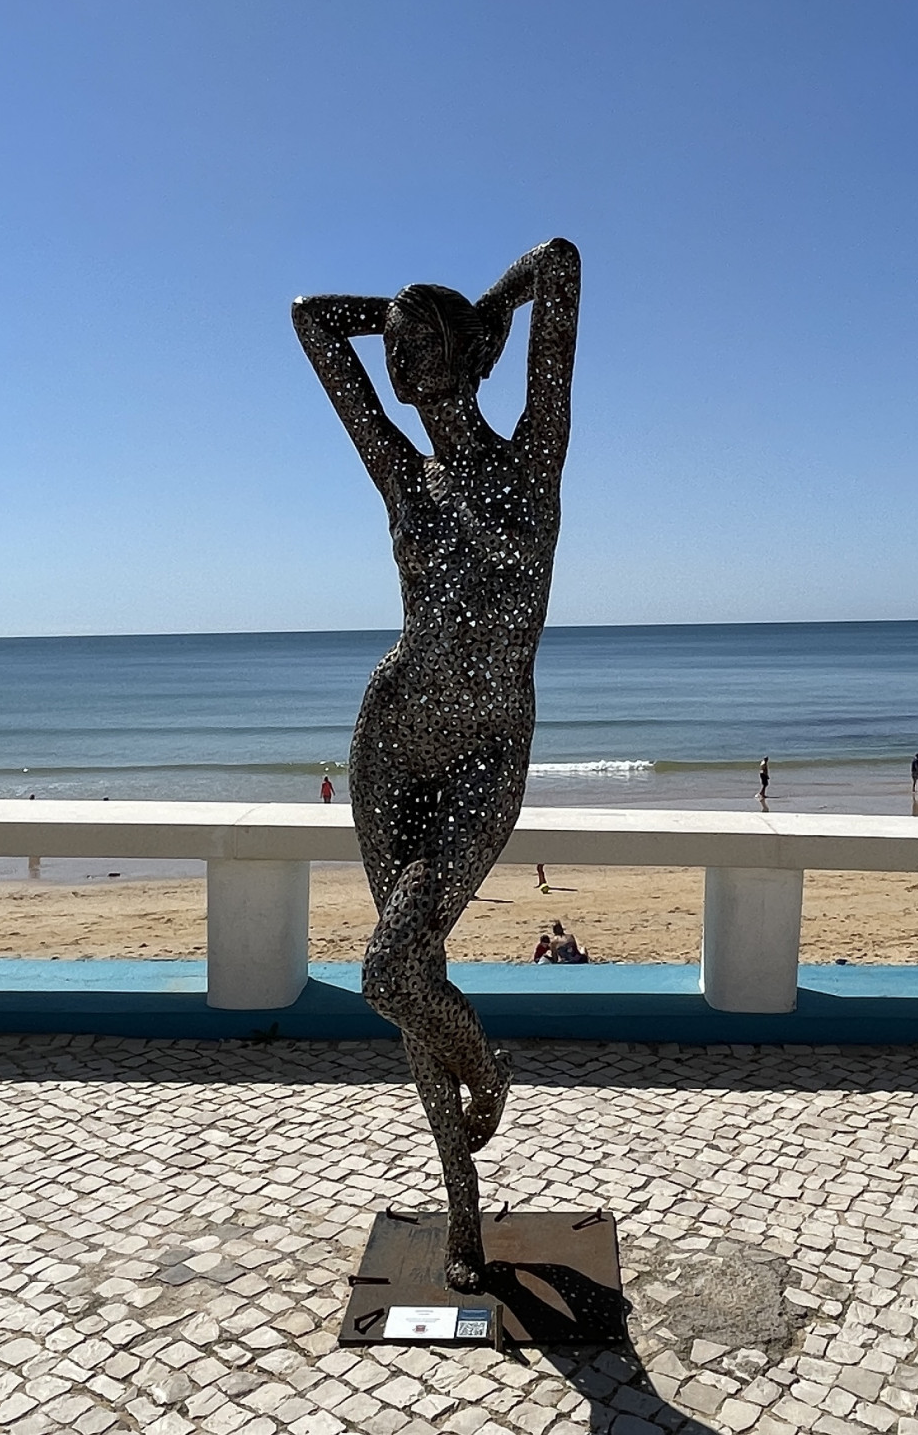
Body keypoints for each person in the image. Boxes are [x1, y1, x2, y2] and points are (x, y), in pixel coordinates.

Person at [294, 236, 579, 1289]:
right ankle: (463, 1212)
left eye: (419, 344)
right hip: (391, 741)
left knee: (386, 970)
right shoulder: (402, 473)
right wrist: (408, 312)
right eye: (394, 348)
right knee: (414, 971)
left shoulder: (532, 457)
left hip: (488, 750)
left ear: (467, 352)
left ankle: (487, 1075)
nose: (399, 362)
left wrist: (488, 313)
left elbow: (559, 265)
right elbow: (313, 321)